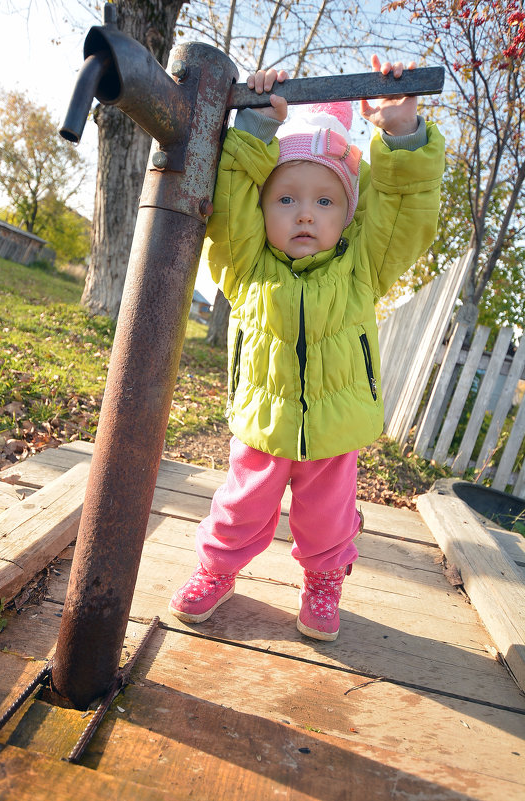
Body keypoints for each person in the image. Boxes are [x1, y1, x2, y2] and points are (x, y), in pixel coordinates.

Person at [169, 54, 445, 641]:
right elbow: (230, 204)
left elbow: (402, 216)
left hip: (336, 424)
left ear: (348, 214)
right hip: (264, 420)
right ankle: (216, 569)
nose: (304, 214)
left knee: (327, 518)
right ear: (263, 207)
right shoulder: (243, 262)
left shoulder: (363, 266)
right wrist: (255, 132)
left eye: (325, 201)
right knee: (241, 505)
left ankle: (324, 578)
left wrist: (399, 135)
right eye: (286, 198)